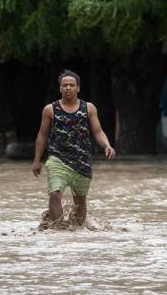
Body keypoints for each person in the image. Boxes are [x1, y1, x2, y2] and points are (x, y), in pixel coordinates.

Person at [31, 69, 115, 227]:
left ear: (78, 88)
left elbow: (98, 131)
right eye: (65, 85)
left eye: (71, 85)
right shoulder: (50, 109)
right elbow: (42, 135)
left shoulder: (89, 108)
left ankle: (77, 232)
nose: (68, 88)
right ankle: (57, 229)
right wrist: (37, 161)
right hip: (57, 159)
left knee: (80, 201)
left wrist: (107, 145)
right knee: (55, 193)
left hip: (82, 162)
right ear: (60, 88)